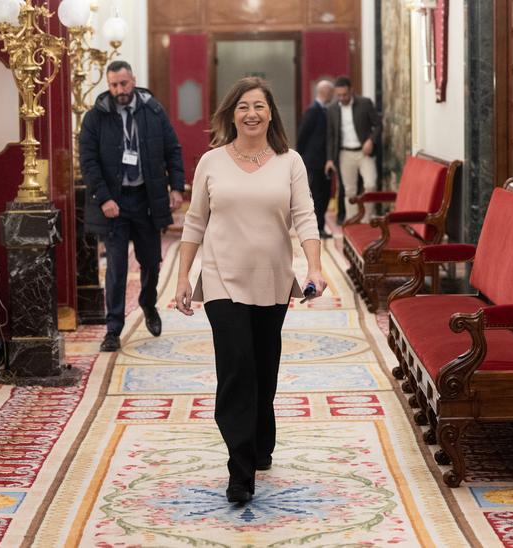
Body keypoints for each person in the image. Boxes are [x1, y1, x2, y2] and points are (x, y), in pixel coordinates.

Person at [174, 77, 327, 504]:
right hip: (222, 277)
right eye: (243, 106)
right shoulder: (211, 161)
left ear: (271, 113)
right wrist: (183, 276)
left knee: (263, 366)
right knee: (237, 367)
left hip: (273, 278)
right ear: (231, 113)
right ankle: (240, 471)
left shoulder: (289, 161)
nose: (252, 113)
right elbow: (194, 222)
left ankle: (261, 439)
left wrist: (315, 265)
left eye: (259, 106)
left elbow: (305, 217)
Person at [80, 60, 185, 352]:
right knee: (116, 266)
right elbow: (88, 163)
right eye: (113, 85)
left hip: (146, 199)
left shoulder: (153, 110)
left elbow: (172, 149)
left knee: (151, 260)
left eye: (124, 84)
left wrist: (176, 187)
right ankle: (113, 329)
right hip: (114, 203)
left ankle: (148, 304)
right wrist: (104, 198)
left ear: (133, 80)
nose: (119, 90)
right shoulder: (95, 118)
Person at [325, 75, 381, 223]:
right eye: (339, 95)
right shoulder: (331, 109)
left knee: (370, 184)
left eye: (345, 94)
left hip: (364, 153)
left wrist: (371, 140)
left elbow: (379, 125)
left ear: (351, 91)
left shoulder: (365, 103)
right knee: (349, 190)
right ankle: (352, 220)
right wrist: (330, 159)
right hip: (344, 154)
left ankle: (366, 219)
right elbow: (330, 136)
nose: (342, 98)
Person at [296, 80, 334, 239]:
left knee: (324, 195)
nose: (333, 95)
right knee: (318, 196)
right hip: (315, 162)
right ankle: (317, 229)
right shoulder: (313, 111)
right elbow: (302, 136)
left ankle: (320, 227)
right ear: (325, 92)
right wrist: (302, 158)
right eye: (331, 92)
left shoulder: (325, 110)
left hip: (323, 161)